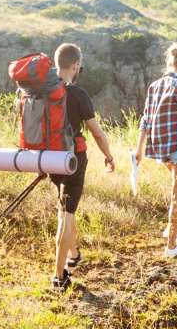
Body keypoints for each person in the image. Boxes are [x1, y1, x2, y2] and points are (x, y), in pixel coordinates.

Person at [49, 43, 116, 291]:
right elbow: (96, 132)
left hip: (49, 158)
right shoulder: (77, 94)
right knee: (65, 215)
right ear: (76, 65)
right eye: (80, 67)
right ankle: (59, 277)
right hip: (72, 161)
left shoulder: (43, 91)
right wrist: (109, 156)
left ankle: (74, 253)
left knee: (66, 206)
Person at [135, 44, 177, 258]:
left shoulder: (155, 85)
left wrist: (139, 148)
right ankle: (171, 245)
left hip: (162, 147)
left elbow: (145, 119)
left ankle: (170, 230)